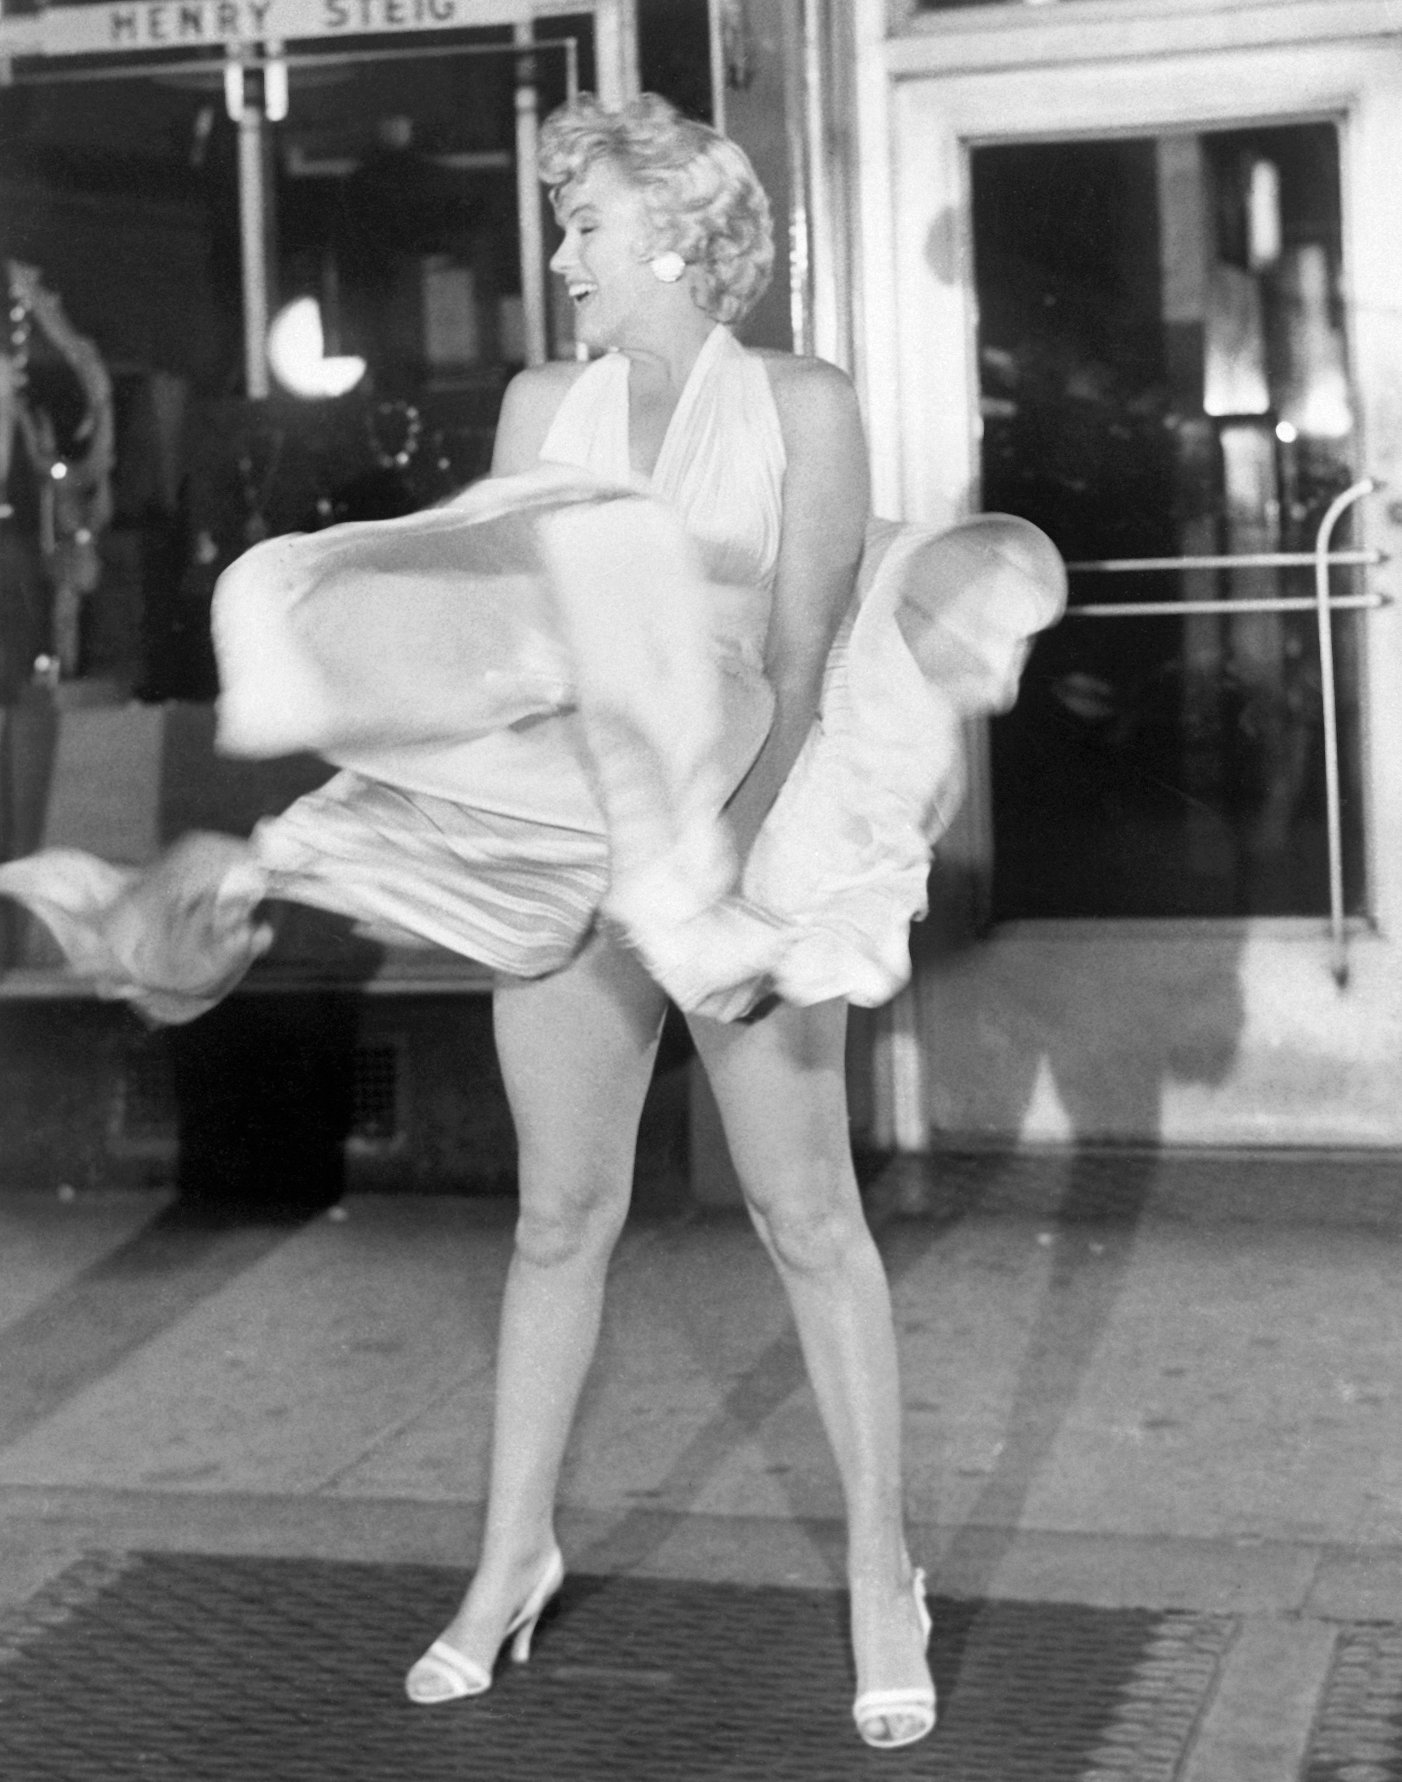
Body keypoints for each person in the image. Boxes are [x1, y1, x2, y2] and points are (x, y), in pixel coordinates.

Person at [0, 95, 1065, 1751]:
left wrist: (693, 866)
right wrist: (463, 823)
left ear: (676, 234)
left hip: (753, 844)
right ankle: (510, 1560)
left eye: (584, 222)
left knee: (805, 1220)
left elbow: (794, 667)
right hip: (566, 840)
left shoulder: (805, 403)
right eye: (564, 220)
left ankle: (878, 1570)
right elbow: (495, 641)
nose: (560, 253)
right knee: (559, 1217)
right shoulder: (538, 405)